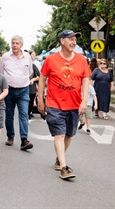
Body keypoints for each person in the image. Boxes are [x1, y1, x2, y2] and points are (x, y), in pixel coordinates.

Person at [38, 30, 91, 180]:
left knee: (69, 134)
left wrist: (84, 101)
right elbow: (42, 80)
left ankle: (59, 159)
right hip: (55, 103)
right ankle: (63, 167)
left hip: (74, 104)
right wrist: (41, 100)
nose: (74, 42)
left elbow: (86, 80)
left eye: (75, 40)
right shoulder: (51, 60)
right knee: (59, 134)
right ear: (62, 41)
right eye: (71, 39)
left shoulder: (81, 60)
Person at [0, 35, 34, 150]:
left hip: (23, 90)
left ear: (21, 45)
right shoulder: (5, 57)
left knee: (23, 114)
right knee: (9, 115)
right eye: (13, 43)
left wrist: (21, 80)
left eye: (17, 43)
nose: (14, 45)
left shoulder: (27, 57)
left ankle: (24, 140)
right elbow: (1, 72)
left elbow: (30, 72)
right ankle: (10, 136)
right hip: (9, 90)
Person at [28, 51, 41, 119]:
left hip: (32, 88)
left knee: (30, 102)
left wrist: (33, 80)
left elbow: (39, 76)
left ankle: (29, 112)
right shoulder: (21, 66)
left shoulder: (34, 66)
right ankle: (26, 114)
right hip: (23, 88)